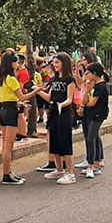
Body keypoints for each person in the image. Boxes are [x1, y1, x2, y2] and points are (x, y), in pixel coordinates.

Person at [0, 52, 41, 185]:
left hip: (4, 109)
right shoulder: (11, 79)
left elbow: (5, 97)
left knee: (5, 145)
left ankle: (8, 171)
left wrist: (18, 102)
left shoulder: (1, 78)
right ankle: (6, 174)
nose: (17, 65)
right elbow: (22, 96)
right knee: (8, 146)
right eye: (16, 62)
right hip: (11, 112)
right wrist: (36, 91)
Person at [36, 52, 77, 184]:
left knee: (65, 141)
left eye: (57, 62)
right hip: (53, 112)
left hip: (64, 114)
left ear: (64, 63)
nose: (54, 65)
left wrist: (61, 105)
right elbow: (49, 97)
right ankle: (59, 169)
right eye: (54, 62)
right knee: (54, 141)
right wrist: (37, 91)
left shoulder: (70, 80)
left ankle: (70, 172)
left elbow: (70, 99)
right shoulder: (54, 79)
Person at [78, 62, 108, 179]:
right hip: (90, 115)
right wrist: (86, 89)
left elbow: (90, 103)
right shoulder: (93, 86)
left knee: (91, 138)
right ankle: (96, 161)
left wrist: (86, 93)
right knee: (93, 137)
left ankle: (92, 164)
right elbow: (85, 101)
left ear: (94, 73)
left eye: (88, 73)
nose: (86, 75)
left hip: (97, 115)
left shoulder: (101, 87)